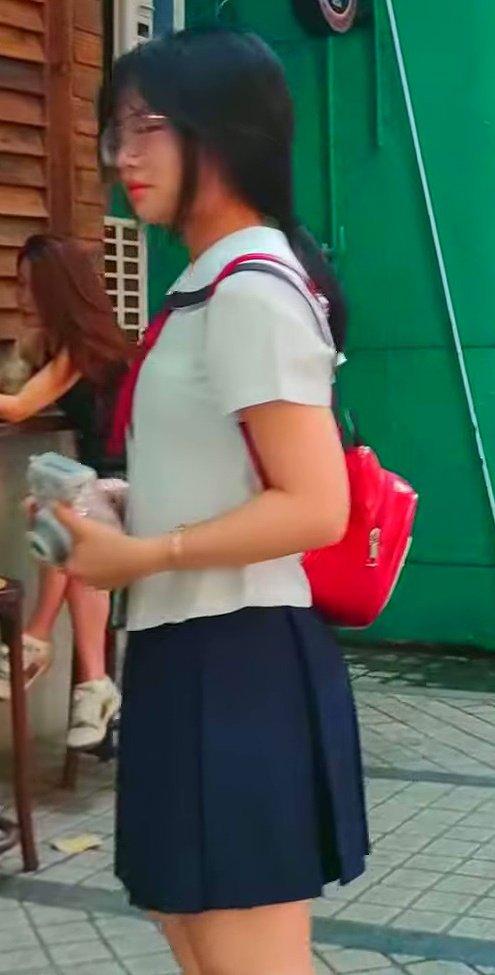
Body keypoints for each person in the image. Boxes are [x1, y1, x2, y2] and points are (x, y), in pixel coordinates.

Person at [56, 27, 368, 975]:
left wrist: (144, 554)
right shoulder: (205, 283)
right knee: (194, 936)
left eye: (148, 126)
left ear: (225, 132)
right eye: (116, 131)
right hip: (186, 650)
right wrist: (122, 502)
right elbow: (229, 468)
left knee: (243, 957)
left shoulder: (251, 291)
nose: (123, 156)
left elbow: (316, 505)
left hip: (238, 661)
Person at [0, 235, 129, 751]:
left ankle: (36, 638)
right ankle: (94, 685)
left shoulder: (81, 347)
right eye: (18, 284)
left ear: (58, 290)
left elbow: (17, 407)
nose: (21, 297)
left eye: (31, 286)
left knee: (60, 508)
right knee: (62, 509)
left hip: (132, 487)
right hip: (95, 492)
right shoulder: (53, 344)